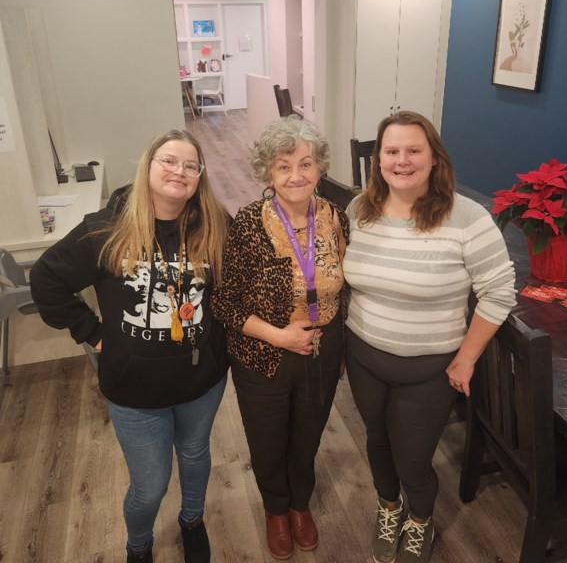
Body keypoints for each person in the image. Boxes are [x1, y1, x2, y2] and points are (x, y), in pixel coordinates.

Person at [29, 130, 231, 563]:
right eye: (169, 160)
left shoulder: (215, 224)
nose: (180, 171)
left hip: (202, 380)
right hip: (135, 390)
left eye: (190, 165)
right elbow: (46, 280)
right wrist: (93, 332)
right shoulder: (106, 229)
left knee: (196, 456)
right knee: (150, 485)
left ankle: (192, 521)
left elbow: (232, 291)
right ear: (148, 166)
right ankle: (138, 545)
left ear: (199, 177)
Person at [343, 111, 516, 563]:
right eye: (392, 151)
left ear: (434, 158)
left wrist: (466, 358)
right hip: (363, 355)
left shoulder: (467, 217)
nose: (402, 160)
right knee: (377, 440)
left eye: (413, 151)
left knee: (414, 460)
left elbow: (499, 292)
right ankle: (389, 506)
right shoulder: (358, 210)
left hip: (429, 367)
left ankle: (420, 520)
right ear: (378, 159)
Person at [213, 115, 349, 560]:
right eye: (284, 166)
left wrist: (341, 342)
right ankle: (275, 509)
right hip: (263, 353)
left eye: (306, 164)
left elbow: (348, 287)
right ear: (268, 174)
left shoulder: (336, 219)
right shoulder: (250, 224)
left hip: (321, 350)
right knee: (268, 439)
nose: (296, 175)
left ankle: (299, 504)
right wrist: (280, 336)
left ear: (320, 169)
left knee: (308, 435)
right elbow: (225, 304)